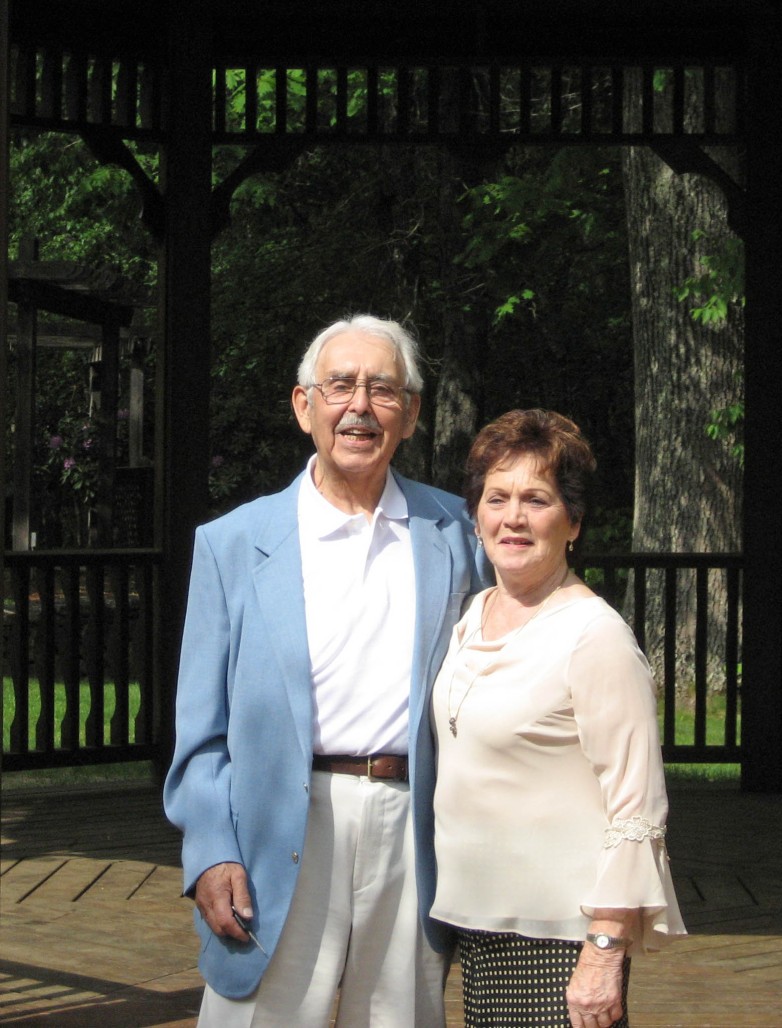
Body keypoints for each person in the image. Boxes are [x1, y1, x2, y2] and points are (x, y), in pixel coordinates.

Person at [163, 315, 488, 1027]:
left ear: (412, 414)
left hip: (411, 827)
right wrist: (211, 850)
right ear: (303, 405)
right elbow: (199, 732)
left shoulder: (460, 536)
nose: (359, 407)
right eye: (340, 385)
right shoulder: (233, 545)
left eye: (382, 389)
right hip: (278, 827)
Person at [430, 409, 686, 1028]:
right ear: (475, 515)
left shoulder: (594, 636)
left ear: (572, 522)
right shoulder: (472, 615)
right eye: (497, 498)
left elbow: (636, 810)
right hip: (481, 932)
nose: (512, 517)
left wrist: (603, 952)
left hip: (564, 942)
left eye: (536, 499)